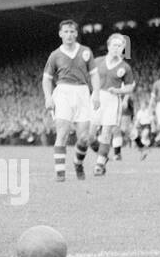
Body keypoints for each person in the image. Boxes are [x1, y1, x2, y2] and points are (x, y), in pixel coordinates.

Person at [42, 19, 97, 181]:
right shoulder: (55, 55)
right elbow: (46, 79)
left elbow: (94, 75)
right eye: (66, 31)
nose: (69, 34)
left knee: (84, 137)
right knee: (63, 132)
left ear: (76, 33)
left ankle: (78, 163)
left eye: (72, 31)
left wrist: (97, 94)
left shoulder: (86, 52)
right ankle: (60, 173)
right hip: (63, 92)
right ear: (60, 34)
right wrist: (48, 97)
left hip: (82, 92)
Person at [91, 33, 137, 176]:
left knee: (106, 133)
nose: (117, 48)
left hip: (112, 100)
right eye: (115, 45)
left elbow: (130, 87)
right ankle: (103, 154)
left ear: (123, 48)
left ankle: (100, 164)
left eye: (120, 46)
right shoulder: (97, 61)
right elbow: (89, 78)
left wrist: (118, 90)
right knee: (89, 136)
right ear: (109, 46)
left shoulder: (125, 67)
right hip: (97, 97)